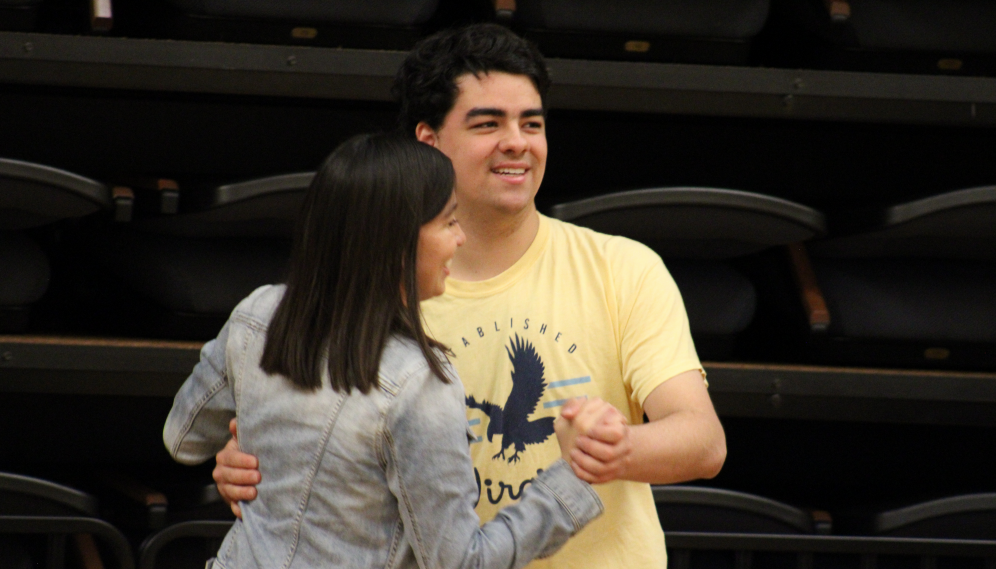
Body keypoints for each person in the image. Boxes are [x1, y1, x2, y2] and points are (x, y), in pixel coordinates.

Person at [214, 24, 728, 569]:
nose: (518, 141)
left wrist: (613, 448)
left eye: (532, 123)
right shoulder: (366, 293)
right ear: (428, 142)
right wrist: (258, 463)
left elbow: (703, 441)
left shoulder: (623, 267)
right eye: (488, 123)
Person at [164, 133, 627, 568]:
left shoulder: (257, 312)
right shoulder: (418, 384)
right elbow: (462, 562)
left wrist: (255, 441)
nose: (460, 238)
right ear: (396, 240)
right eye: (448, 222)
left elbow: (183, 438)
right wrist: (572, 475)